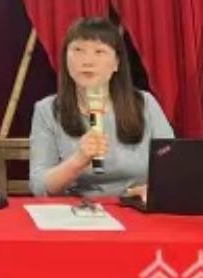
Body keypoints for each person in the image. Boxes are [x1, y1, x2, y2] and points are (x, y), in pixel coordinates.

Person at [28, 16, 173, 198]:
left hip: (134, 207)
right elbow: (39, 186)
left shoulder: (145, 103)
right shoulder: (47, 110)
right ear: (65, 59)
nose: (88, 61)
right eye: (78, 50)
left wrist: (147, 190)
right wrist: (77, 161)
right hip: (78, 209)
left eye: (99, 51)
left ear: (116, 63)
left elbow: (171, 164)